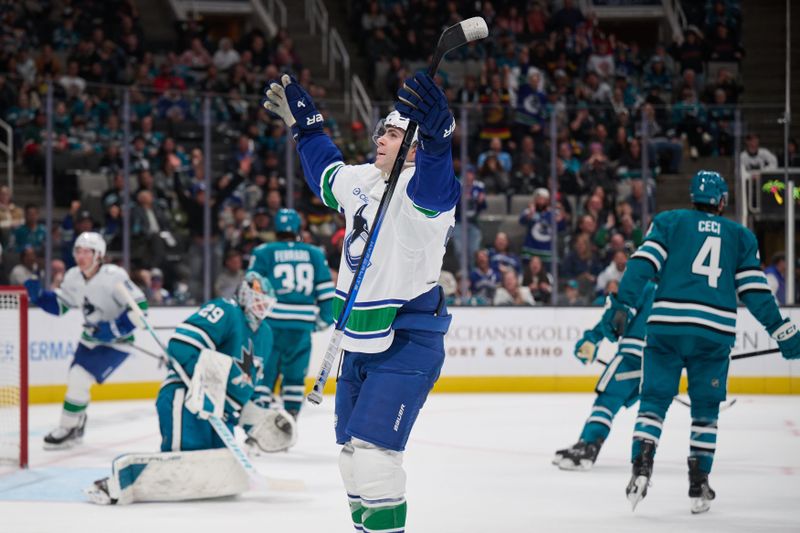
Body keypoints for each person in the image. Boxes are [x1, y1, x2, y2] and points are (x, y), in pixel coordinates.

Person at [263, 71, 458, 533]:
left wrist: (438, 139)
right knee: (352, 460)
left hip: (407, 339)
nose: (380, 140)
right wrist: (306, 130)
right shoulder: (365, 180)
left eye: (392, 134)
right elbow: (327, 172)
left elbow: (435, 182)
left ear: (412, 146)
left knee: (375, 459)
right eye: (382, 132)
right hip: (360, 341)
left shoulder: (422, 193)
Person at [600, 171, 800, 513]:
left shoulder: (669, 222)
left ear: (693, 197)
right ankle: (698, 484)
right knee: (705, 411)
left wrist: (622, 306)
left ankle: (642, 468)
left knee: (653, 403)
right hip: (713, 333)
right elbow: (754, 291)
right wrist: (781, 330)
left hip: (667, 328)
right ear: (722, 201)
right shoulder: (740, 236)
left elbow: (642, 265)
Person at [86, 272, 297, 505]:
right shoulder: (226, 310)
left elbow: (249, 389)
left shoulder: (265, 334)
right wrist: (205, 387)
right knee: (185, 465)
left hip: (221, 415)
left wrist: (255, 421)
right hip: (187, 399)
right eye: (258, 300)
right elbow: (183, 345)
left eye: (266, 303)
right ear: (245, 293)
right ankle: (114, 485)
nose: (261, 307)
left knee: (217, 474)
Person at [23, 232, 148, 449]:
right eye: (78, 251)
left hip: (117, 343)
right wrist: (41, 297)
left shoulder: (114, 276)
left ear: (99, 255)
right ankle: (77, 424)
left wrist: (112, 329)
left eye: (87, 252)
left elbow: (140, 309)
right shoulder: (72, 276)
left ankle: (68, 427)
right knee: (75, 380)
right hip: (90, 339)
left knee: (79, 377)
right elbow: (62, 305)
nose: (81, 256)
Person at [554, 282, 655, 470]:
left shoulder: (645, 284)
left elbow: (619, 315)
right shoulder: (680, 285)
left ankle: (589, 445)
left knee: (607, 400)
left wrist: (593, 338)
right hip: (661, 361)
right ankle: (645, 458)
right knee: (652, 410)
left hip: (634, 356)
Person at [248, 208, 335, 422]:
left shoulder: (263, 251)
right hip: (301, 327)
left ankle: (261, 422)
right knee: (295, 377)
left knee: (265, 375)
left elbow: (252, 288)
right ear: (298, 228)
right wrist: (320, 322)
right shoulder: (315, 253)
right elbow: (326, 294)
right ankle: (289, 421)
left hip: (270, 326)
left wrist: (253, 322)